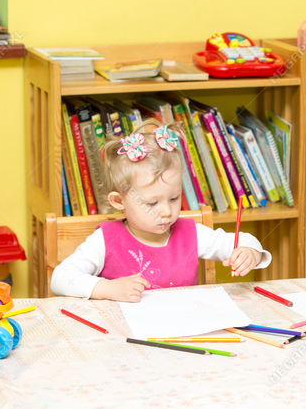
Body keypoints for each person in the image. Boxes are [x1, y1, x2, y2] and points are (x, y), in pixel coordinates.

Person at [51, 122, 271, 302]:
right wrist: (107, 289)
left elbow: (240, 241)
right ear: (119, 201)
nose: (166, 211)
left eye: (174, 198)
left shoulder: (191, 233)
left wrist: (250, 252)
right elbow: (60, 279)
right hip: (125, 340)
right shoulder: (106, 240)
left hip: (184, 337)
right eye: (151, 203)